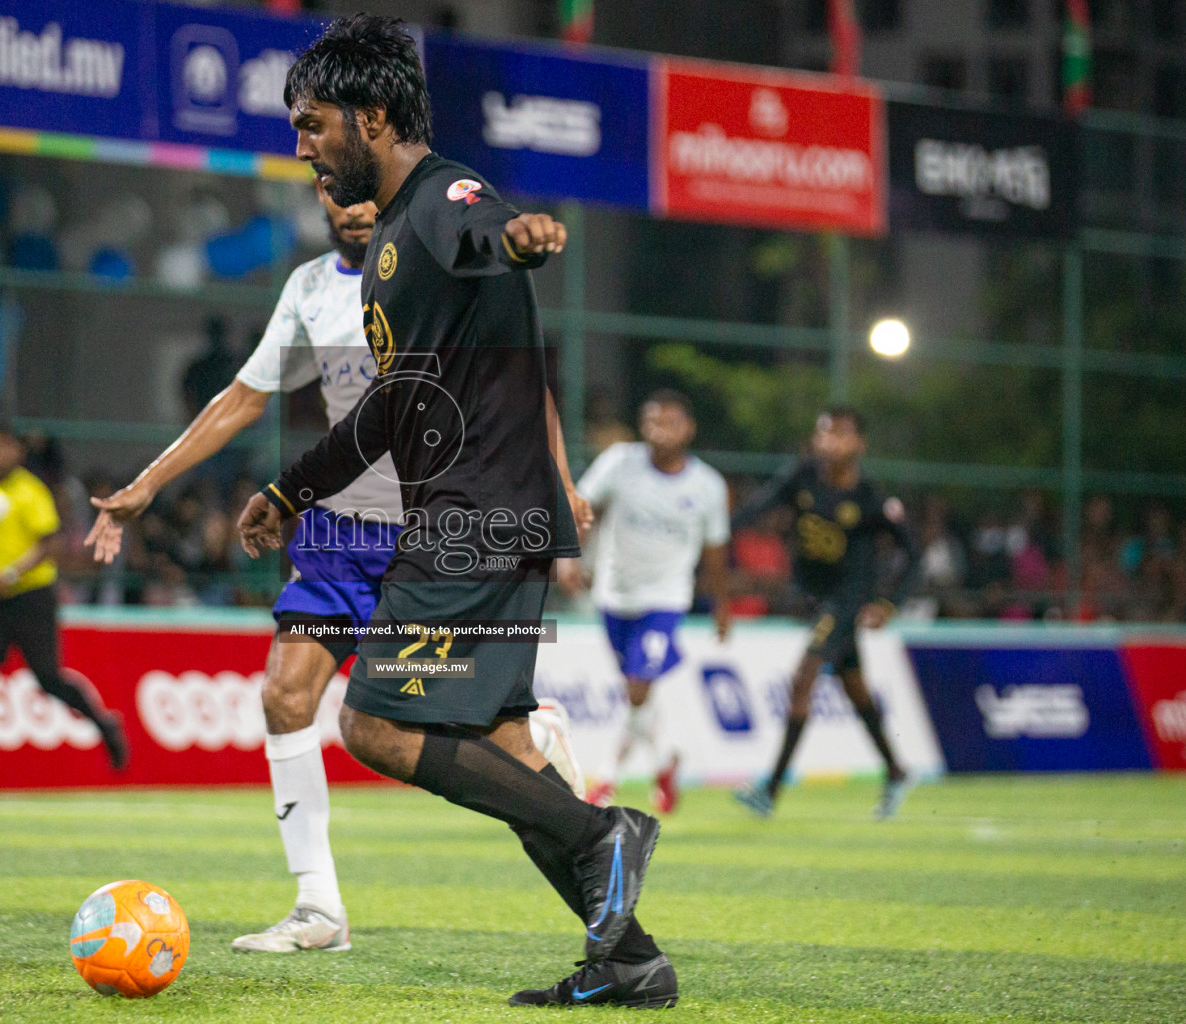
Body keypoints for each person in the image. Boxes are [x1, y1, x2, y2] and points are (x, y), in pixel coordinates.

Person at [235, 16, 675, 1009]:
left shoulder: (444, 202)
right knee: (510, 752)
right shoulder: (394, 236)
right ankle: (631, 956)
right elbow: (395, 406)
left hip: (472, 516)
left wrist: (522, 235)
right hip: (485, 514)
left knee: (375, 724)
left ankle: (607, 835)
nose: (301, 144)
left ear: (374, 114)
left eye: (313, 124)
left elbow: (492, 226)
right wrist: (290, 488)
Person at [87, 180, 588, 954]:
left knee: (464, 728)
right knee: (286, 696)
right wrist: (147, 486)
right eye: (331, 195)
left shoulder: (425, 268)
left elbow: (521, 382)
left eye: (356, 194)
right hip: (337, 537)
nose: (348, 206)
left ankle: (538, 739)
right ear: (322, 207)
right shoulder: (309, 290)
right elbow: (242, 398)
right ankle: (319, 909)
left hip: (432, 528)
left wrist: (561, 479)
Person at [730, 408, 919, 821]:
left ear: (859, 444)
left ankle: (771, 789)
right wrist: (716, 530)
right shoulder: (801, 478)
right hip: (816, 599)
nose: (831, 442)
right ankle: (897, 770)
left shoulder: (871, 498)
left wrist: (889, 602)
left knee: (803, 680)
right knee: (855, 687)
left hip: (847, 600)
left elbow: (912, 553)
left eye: (842, 435)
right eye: (825, 434)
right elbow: (756, 509)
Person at [0, 423, 128, 799]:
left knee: (48, 679)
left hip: (31, 597)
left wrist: (13, 573)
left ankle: (104, 725)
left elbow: (49, 542)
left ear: (16, 452)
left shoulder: (30, 490)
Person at [562, 390, 731, 815]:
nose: (662, 430)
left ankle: (605, 779)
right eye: (654, 422)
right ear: (643, 426)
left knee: (638, 686)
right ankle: (665, 761)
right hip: (614, 595)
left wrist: (722, 605)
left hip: (666, 598)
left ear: (688, 428)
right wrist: (569, 556)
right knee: (637, 691)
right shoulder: (621, 463)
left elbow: (715, 551)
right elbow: (583, 507)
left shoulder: (707, 485)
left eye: (671, 422)